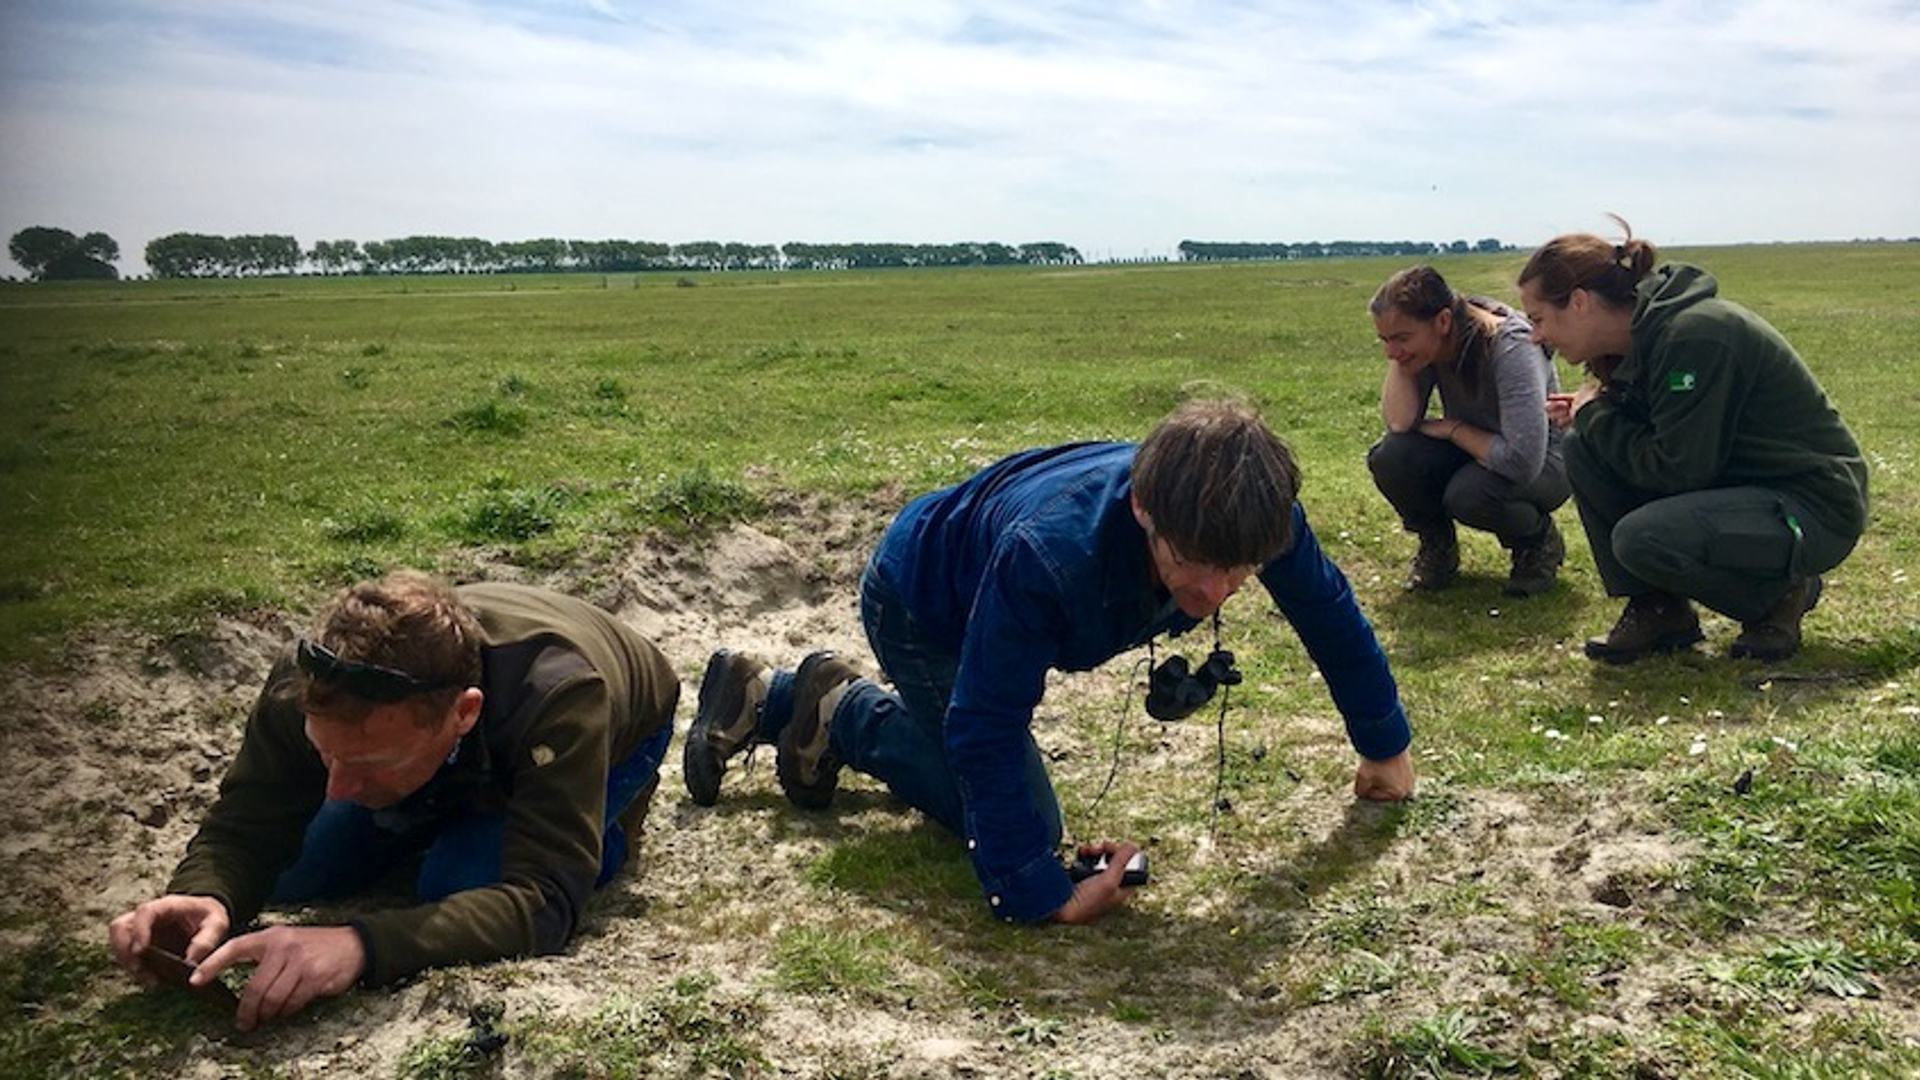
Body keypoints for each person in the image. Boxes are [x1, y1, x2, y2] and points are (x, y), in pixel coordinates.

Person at [684, 400, 1415, 927]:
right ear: (1143, 514)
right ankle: (832, 708)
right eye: (1192, 565)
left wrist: (1385, 747)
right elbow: (985, 724)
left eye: (1241, 570)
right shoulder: (1052, 556)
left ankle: (796, 700)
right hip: (923, 602)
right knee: (1028, 821)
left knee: (1016, 816)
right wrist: (1036, 891)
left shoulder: (1255, 511)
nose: (1214, 593)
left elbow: (1328, 611)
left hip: (985, 576)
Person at [108, 572, 679, 1030]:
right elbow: (247, 821)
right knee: (298, 869)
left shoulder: (560, 697)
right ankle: (427, 799)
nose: (336, 789)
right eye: (325, 756)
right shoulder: (305, 681)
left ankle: (604, 825)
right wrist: (202, 893)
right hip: (458, 756)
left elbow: (544, 900)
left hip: (622, 723)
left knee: (459, 879)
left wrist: (358, 947)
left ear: (464, 713)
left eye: (367, 765)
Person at [1518, 220, 1868, 663]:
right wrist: (1595, 416)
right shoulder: (1643, 340)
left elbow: (1680, 470)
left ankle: (1779, 594)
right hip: (1744, 492)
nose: (1535, 336)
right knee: (1582, 446)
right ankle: (1658, 608)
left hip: (1812, 505)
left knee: (1640, 538)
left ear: (1580, 302)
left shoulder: (1695, 336)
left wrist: (1596, 413)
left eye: (1538, 319)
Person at [1367, 266, 1571, 595]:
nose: (1391, 350)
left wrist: (1454, 429)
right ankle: (1438, 545)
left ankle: (1537, 541)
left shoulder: (1510, 345)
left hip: (1544, 462)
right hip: (1479, 451)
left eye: (1402, 337)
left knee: (1468, 495)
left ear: (1443, 321)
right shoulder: (1431, 345)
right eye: (1384, 340)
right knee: (1392, 456)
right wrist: (1402, 357)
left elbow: (1522, 460)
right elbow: (1400, 423)